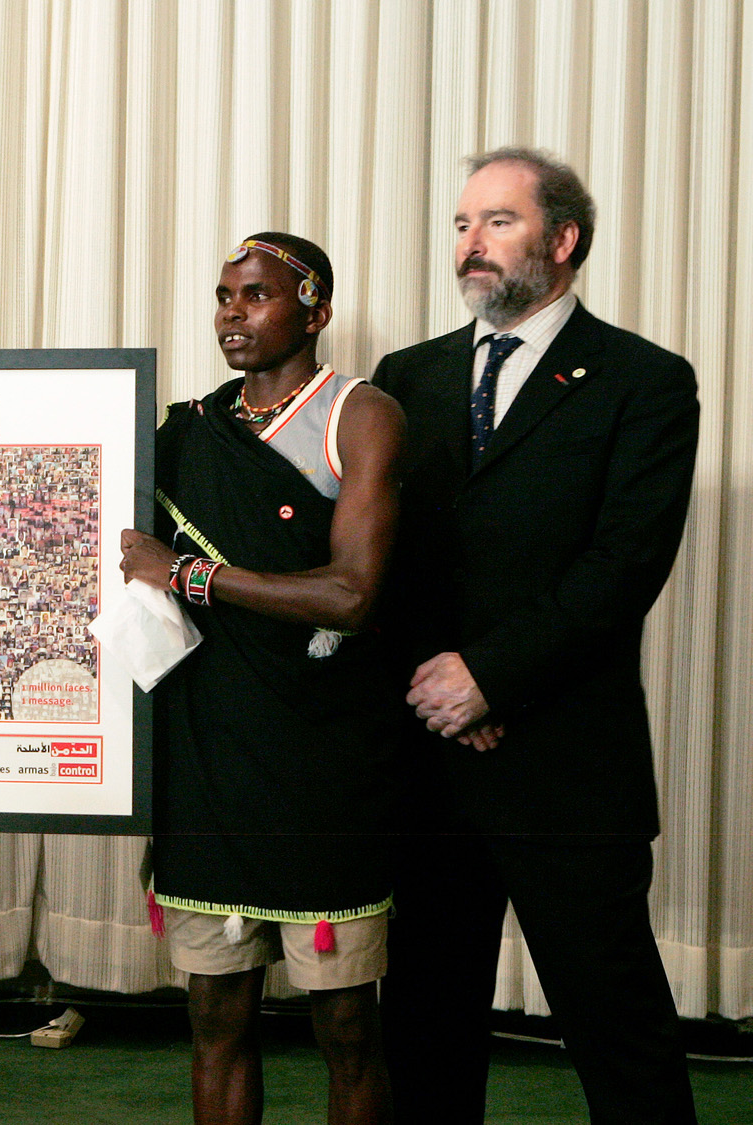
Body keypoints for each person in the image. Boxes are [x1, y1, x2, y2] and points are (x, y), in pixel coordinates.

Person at [374, 148, 700, 1123]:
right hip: (428, 758)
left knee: (614, 1024)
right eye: (461, 224)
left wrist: (489, 680)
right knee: (424, 1025)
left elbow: (620, 569)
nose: (470, 245)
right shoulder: (405, 378)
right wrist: (440, 692)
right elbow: (384, 561)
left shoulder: (642, 382)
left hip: (564, 765)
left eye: (497, 223)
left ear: (561, 240)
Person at [118, 233, 404, 1125]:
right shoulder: (185, 428)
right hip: (206, 763)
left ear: (314, 312)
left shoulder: (361, 414)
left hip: (321, 764)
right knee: (216, 1021)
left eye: (255, 296)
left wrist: (194, 575)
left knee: (348, 1025)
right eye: (223, 296)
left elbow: (352, 593)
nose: (230, 314)